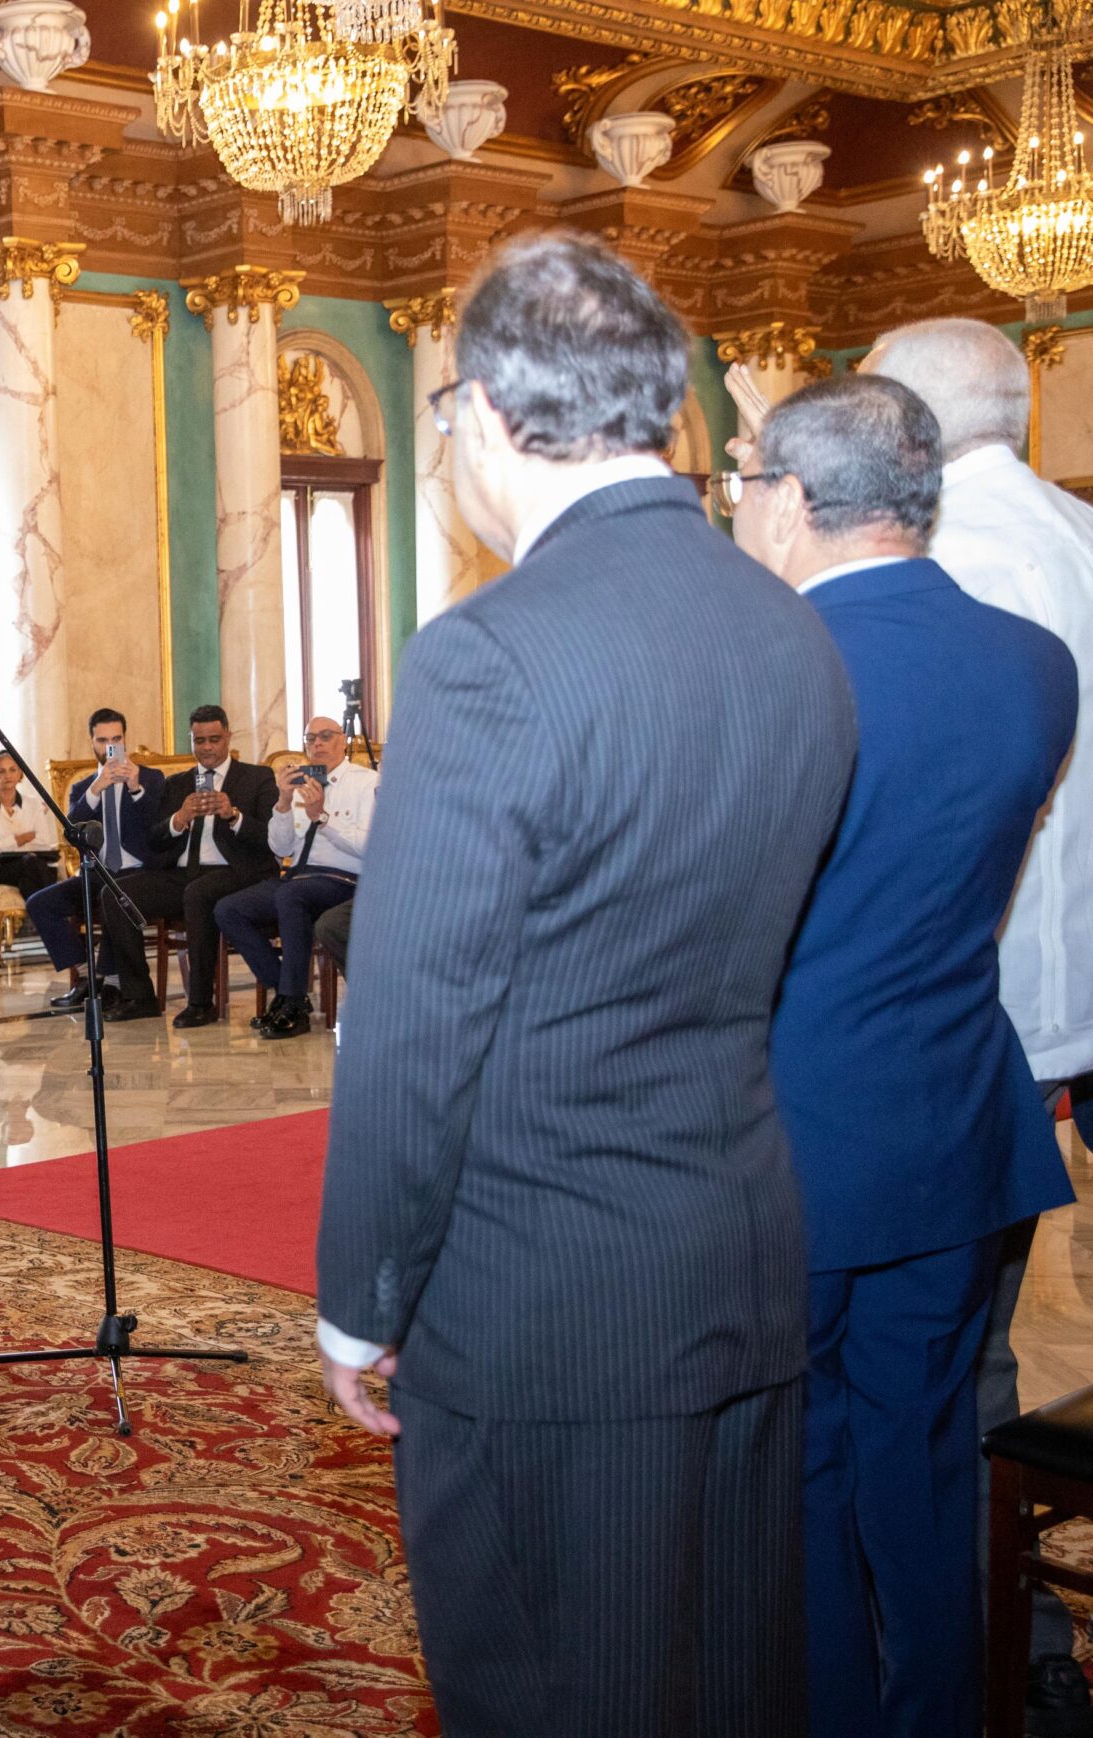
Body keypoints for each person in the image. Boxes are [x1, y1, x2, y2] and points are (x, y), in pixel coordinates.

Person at [314, 232, 857, 1737]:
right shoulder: (791, 627)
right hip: (739, 1251)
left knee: (551, 1690)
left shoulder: (490, 654)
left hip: (548, 1300)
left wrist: (362, 1297)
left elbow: (417, 1030)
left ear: (485, 413)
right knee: (733, 1677)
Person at [735, 375, 1076, 1738]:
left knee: (800, 1462)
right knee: (928, 1450)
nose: (742, 505)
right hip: (954, 1117)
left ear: (801, 503)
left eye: (748, 481)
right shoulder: (1033, 661)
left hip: (794, 1135)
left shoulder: (771, 672)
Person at [862, 317, 1093, 1738]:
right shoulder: (1077, 532)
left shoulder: (946, 570)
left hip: (973, 1009)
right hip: (1062, 1003)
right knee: (971, 1338)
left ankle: (999, 1646)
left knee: (942, 1357)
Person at [213, 718, 373, 1039]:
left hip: (344, 880)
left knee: (291, 895)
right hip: (297, 878)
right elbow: (280, 847)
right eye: (310, 738)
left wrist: (322, 818)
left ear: (344, 742)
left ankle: (292, 1004)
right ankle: (287, 991)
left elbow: (370, 847)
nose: (317, 744)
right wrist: (284, 804)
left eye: (326, 736)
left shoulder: (365, 783)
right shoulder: (302, 783)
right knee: (228, 909)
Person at [22, 709, 169, 1020]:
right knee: (41, 904)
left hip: (140, 872)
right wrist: (96, 789)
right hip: (99, 872)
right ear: (92, 742)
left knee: (115, 896)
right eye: (102, 740)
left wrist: (135, 788)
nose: (109, 746)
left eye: (116, 739)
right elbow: (73, 832)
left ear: (125, 741)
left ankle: (113, 984)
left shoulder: (151, 779)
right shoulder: (84, 787)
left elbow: (157, 830)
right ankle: (88, 977)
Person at [153, 704, 279, 1028]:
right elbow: (153, 839)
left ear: (228, 737)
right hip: (183, 871)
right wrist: (178, 820)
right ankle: (133, 995)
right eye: (199, 741)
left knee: (198, 893)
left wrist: (233, 815)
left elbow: (272, 839)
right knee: (120, 893)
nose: (207, 748)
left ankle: (200, 1003)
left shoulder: (258, 777)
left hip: (238, 872)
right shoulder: (176, 783)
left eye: (214, 739)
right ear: (190, 741)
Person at [0, 750, 59, 895]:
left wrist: (0, 842)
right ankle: (53, 909)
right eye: (1, 771)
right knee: (31, 863)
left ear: (20, 774)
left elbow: (44, 842)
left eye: (12, 770)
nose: (7, 776)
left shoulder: (35, 804)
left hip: (34, 866)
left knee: (27, 880)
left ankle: (38, 914)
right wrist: (22, 838)